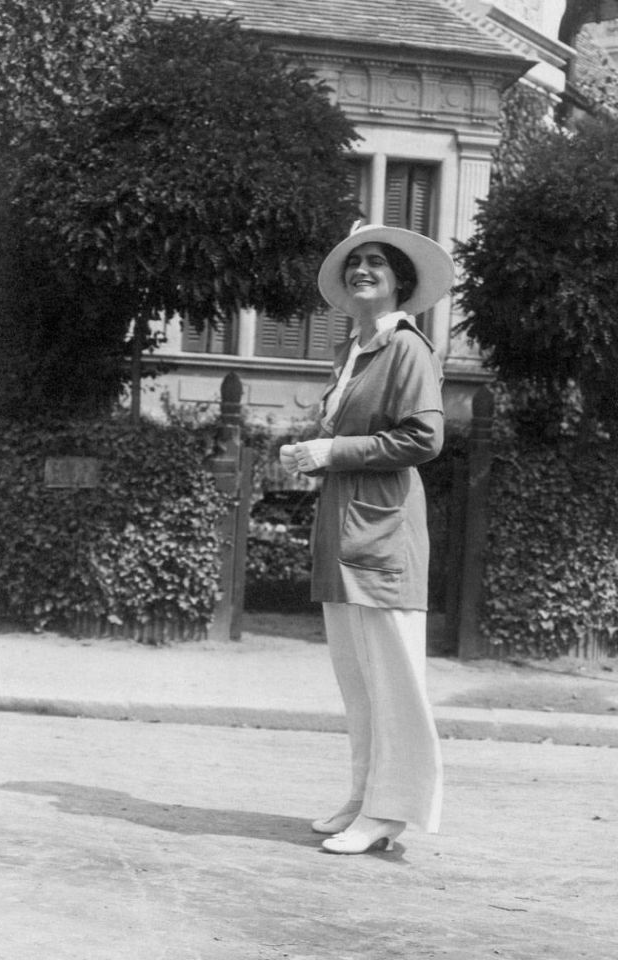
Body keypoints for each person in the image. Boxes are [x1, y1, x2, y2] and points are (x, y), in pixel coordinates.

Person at [280, 222, 455, 855]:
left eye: (376, 261)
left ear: (400, 281)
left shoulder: (406, 347)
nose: (362, 270)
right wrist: (313, 454)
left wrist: (335, 450)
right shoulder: (355, 350)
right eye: (354, 261)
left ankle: (389, 811)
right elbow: (351, 437)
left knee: (393, 682)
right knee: (358, 682)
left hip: (383, 535)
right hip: (344, 530)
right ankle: (363, 797)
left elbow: (424, 438)